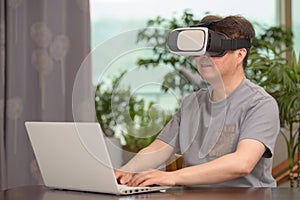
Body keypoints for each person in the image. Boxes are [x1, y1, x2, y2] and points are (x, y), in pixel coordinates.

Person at [115, 15, 280, 187]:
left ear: (240, 55)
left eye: (215, 49)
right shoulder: (191, 103)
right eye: (199, 49)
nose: (204, 57)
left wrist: (172, 177)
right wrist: (123, 172)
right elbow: (159, 149)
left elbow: (242, 163)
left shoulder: (260, 104)